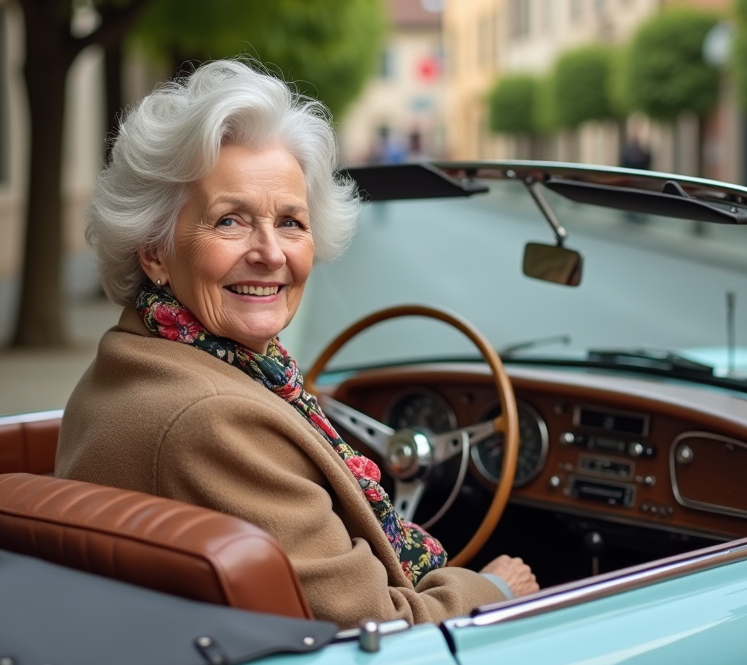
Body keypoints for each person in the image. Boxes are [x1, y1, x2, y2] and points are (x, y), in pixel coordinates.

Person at [56, 60, 538, 628]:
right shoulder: (217, 420)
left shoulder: (134, 359)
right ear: (155, 252)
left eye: (290, 222)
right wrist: (491, 588)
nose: (271, 254)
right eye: (230, 221)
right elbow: (378, 628)